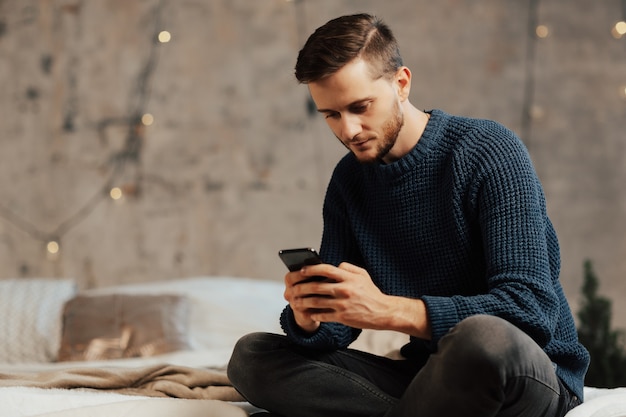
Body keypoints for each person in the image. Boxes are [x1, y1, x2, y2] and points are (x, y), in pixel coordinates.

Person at [227, 13, 589, 417]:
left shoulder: (489, 151)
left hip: (526, 369)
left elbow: (530, 311)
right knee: (253, 356)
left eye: (360, 107)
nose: (348, 130)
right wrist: (310, 316)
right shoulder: (350, 181)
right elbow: (338, 329)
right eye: (330, 114)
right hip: (428, 375)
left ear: (401, 83)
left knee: (481, 337)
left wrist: (385, 309)